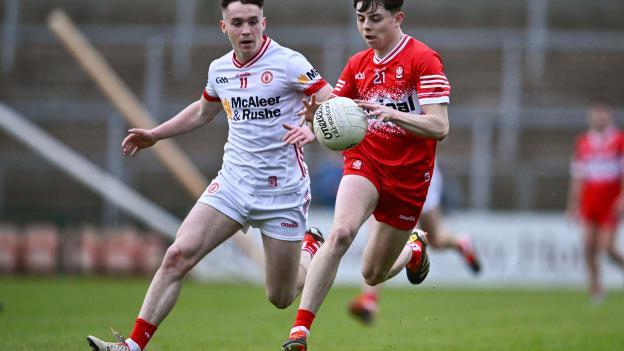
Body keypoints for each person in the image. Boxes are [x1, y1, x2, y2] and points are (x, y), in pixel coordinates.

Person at [86, 1, 334, 350]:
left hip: (282, 191)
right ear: (224, 27)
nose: (246, 30)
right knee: (177, 256)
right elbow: (203, 111)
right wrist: (157, 134)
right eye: (237, 23)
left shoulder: (289, 63)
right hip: (232, 184)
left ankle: (310, 246)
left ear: (265, 22)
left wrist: (313, 125)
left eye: (252, 22)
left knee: (280, 296)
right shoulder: (219, 69)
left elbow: (335, 104)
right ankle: (132, 346)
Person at [281, 1, 450, 350]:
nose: (366, 27)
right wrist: (316, 124)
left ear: (397, 18)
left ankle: (413, 251)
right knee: (341, 232)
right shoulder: (358, 65)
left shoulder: (423, 59)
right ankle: (300, 332)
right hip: (366, 160)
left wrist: (394, 114)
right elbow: (336, 114)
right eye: (360, 19)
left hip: (408, 177)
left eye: (375, 19)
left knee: (372, 274)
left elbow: (440, 126)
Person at [348, 163, 482, 324]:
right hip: (396, 166)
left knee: (393, 237)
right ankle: (461, 243)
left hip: (414, 168)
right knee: (435, 239)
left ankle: (370, 299)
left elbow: (440, 136)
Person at [566, 99, 624, 304]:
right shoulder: (583, 142)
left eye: (603, 113)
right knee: (588, 247)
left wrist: (622, 198)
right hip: (589, 202)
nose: (599, 117)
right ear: (589, 117)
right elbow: (578, 176)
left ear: (610, 116)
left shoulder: (619, 140)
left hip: (610, 202)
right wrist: (573, 203)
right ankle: (596, 288)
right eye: (595, 114)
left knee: (607, 247)